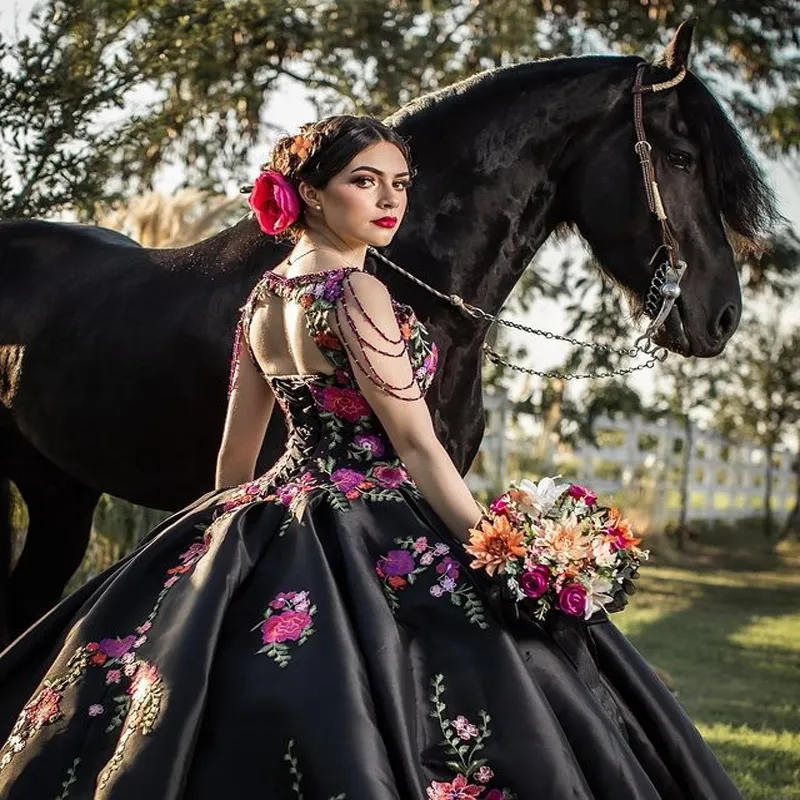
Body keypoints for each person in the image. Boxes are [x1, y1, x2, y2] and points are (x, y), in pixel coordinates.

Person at [0, 115, 741, 799]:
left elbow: (234, 464)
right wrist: (499, 547)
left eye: (400, 183)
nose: (390, 201)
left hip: (274, 509)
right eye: (364, 181)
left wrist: (218, 558)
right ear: (311, 196)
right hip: (375, 514)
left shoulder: (265, 296)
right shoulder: (359, 293)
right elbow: (418, 442)